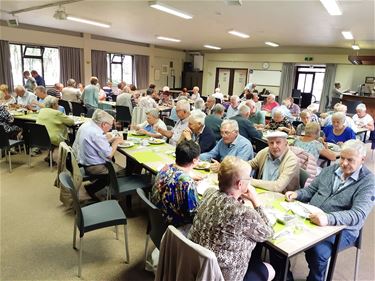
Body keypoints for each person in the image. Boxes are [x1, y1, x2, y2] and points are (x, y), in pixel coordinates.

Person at [282, 140, 374, 281]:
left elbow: (358, 214)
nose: (343, 163)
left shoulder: (368, 182)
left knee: (317, 252)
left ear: (362, 159)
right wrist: (297, 194)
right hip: (313, 218)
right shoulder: (330, 170)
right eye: (342, 157)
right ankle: (285, 278)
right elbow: (311, 190)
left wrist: (328, 218)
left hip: (343, 229)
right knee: (282, 236)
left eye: (350, 160)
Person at [188, 156, 275, 281]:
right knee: (270, 269)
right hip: (223, 276)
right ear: (240, 184)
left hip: (197, 266)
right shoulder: (245, 214)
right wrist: (256, 202)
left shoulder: (208, 193)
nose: (250, 180)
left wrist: (239, 198)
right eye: (248, 178)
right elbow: (269, 233)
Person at [73, 109, 123, 200]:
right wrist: (116, 142)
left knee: (114, 164)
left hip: (81, 160)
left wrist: (109, 140)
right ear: (104, 124)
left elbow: (94, 143)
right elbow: (109, 155)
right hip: (92, 166)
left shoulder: (87, 125)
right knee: (119, 171)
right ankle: (91, 189)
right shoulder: (96, 133)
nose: (111, 128)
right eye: (111, 125)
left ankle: (95, 186)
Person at [151, 140, 200, 227]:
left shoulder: (165, 168)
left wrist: (188, 177)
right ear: (195, 161)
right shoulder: (187, 183)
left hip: (157, 217)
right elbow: (193, 213)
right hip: (174, 226)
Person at [36, 96, 74, 163]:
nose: (58, 105)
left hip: (40, 137)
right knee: (67, 137)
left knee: (52, 133)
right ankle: (68, 159)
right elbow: (71, 122)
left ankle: (49, 157)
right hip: (53, 138)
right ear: (53, 105)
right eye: (57, 103)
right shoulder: (57, 113)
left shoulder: (41, 111)